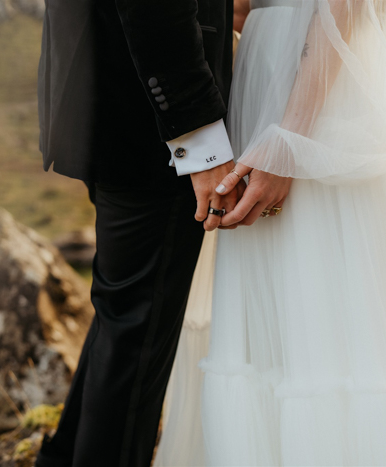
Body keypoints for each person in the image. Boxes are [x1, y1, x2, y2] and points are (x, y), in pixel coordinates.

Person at [154, 0, 386, 465]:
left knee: (346, 323)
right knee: (280, 323)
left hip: (321, 88)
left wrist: (291, 139)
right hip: (267, 71)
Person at [33, 1, 245, 465]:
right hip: (148, 124)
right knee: (136, 334)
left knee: (124, 312)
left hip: (106, 96)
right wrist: (199, 141)